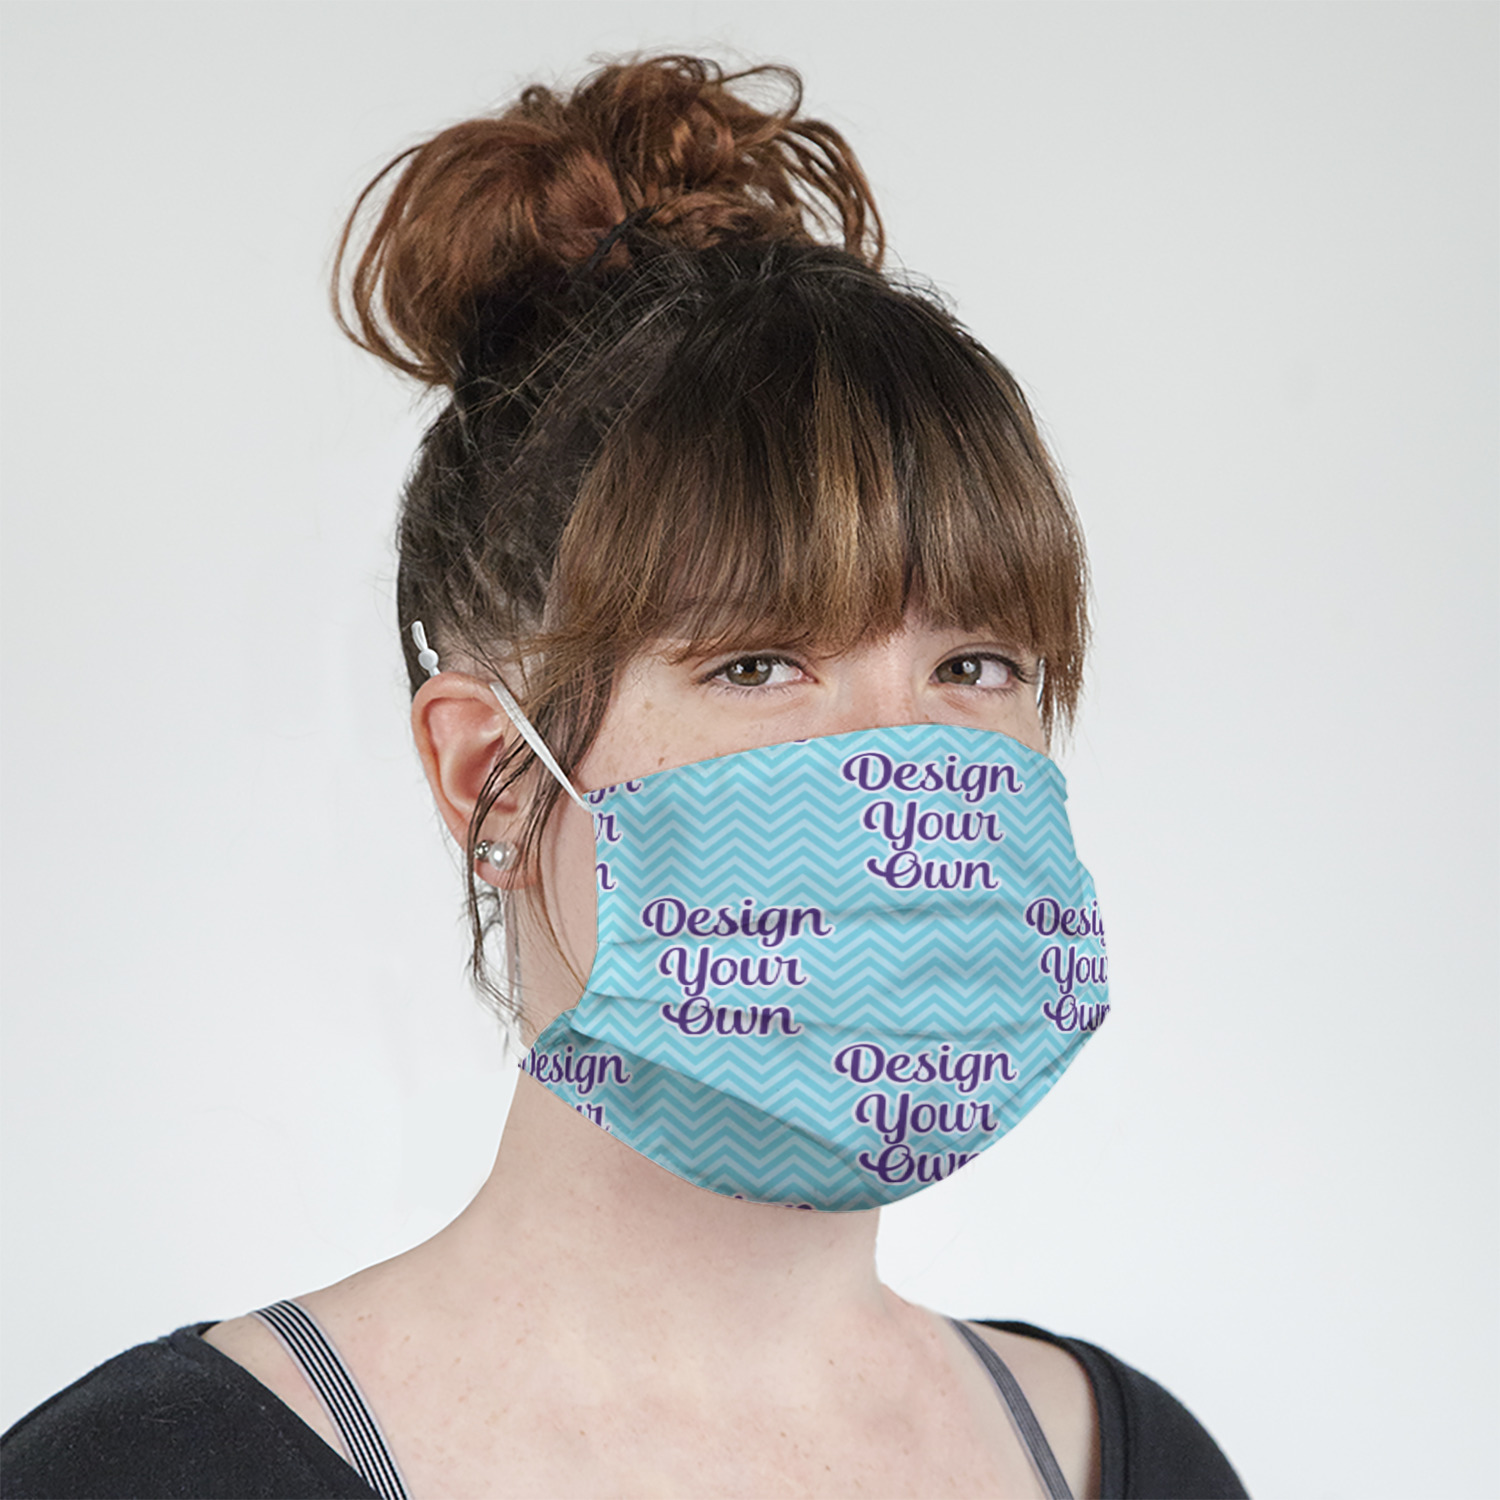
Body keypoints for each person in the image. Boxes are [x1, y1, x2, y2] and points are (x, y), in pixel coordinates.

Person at [1, 54, 1246, 1500]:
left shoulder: (1139, 1463)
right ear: (492, 777)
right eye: (759, 664)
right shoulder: (150, 1474)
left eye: (977, 664)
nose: (906, 764)